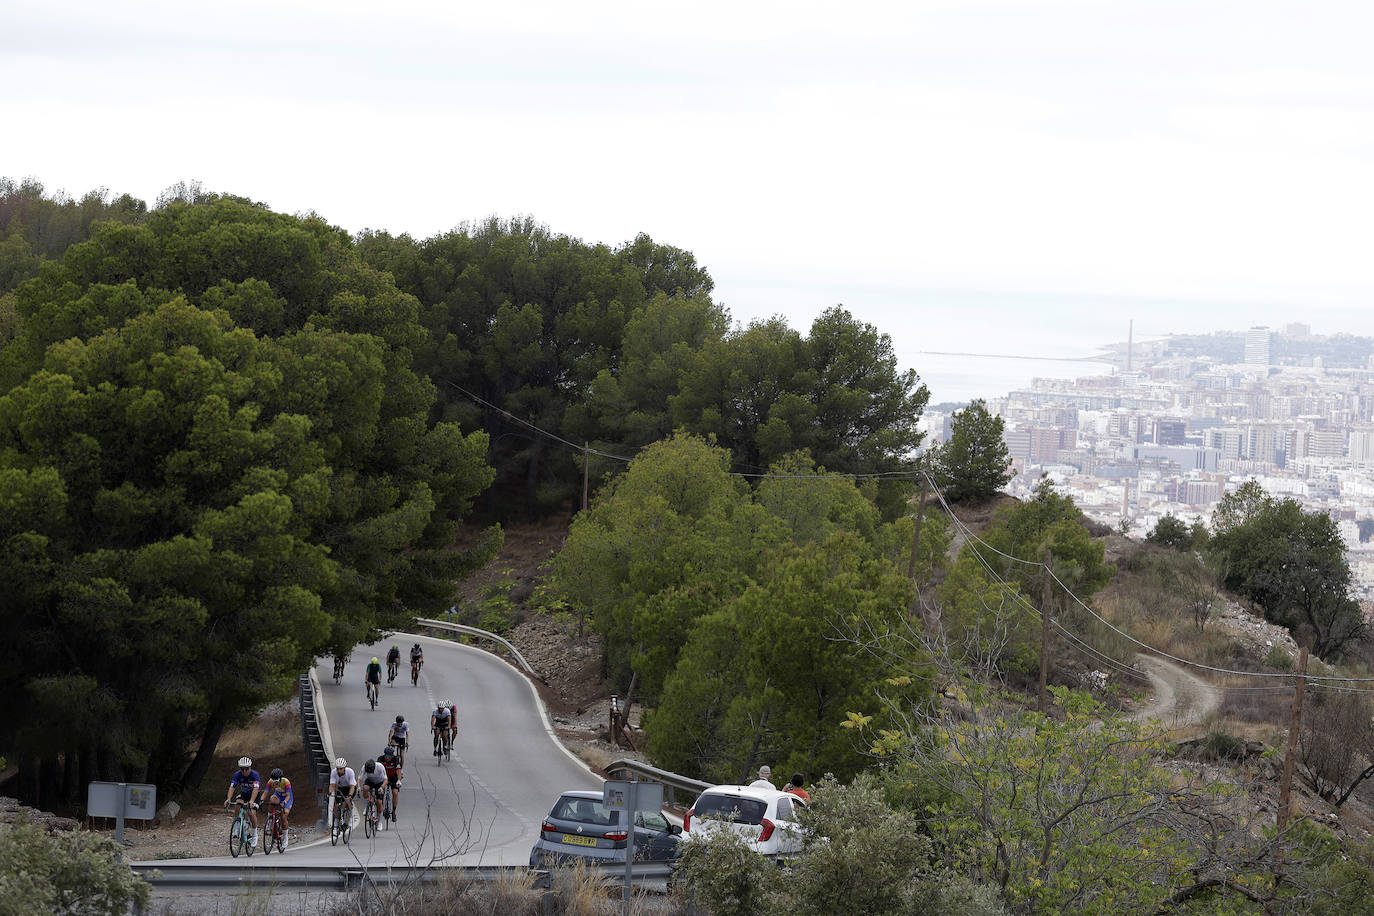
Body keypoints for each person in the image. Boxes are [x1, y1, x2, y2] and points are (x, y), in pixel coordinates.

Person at [224, 756, 262, 847]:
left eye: (246, 769)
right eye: (242, 769)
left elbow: (255, 789)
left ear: (250, 767)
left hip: (254, 795)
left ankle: (255, 835)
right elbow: (232, 787)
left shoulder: (254, 775)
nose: (244, 771)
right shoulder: (237, 775)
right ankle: (237, 826)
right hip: (244, 794)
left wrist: (252, 801)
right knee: (238, 803)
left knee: (251, 812)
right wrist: (228, 799)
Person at [264, 767, 294, 848]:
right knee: (271, 800)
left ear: (280, 778)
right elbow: (265, 792)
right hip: (277, 796)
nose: (275, 782)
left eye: (276, 780)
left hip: (287, 798)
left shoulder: (286, 782)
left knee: (284, 816)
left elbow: (288, 795)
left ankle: (285, 837)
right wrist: (261, 800)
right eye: (273, 780)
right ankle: (270, 822)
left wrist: (284, 802)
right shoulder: (270, 781)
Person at [328, 756, 357, 824]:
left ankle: (350, 819)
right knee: (337, 806)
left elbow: (352, 786)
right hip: (341, 788)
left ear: (344, 768)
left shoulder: (350, 772)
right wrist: (329, 793)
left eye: (341, 769)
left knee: (347, 802)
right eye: (337, 769)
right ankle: (335, 825)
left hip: (350, 788)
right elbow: (332, 785)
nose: (339, 771)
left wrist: (349, 796)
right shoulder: (334, 772)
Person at [378, 744, 404, 820]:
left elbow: (398, 771)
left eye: (389, 756)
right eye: (386, 755)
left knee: (395, 793)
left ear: (392, 756)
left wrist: (399, 780)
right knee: (380, 792)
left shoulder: (395, 759)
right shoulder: (380, 759)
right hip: (383, 777)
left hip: (393, 777)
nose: (387, 758)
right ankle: (381, 805)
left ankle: (393, 811)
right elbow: (377, 769)